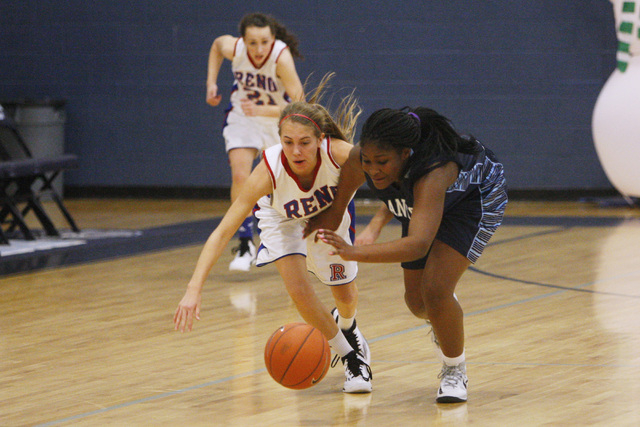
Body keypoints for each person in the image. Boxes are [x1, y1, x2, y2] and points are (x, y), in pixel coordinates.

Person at [174, 77, 372, 393]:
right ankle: (351, 360)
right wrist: (193, 288)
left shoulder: (340, 153)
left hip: (327, 219)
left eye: (304, 142)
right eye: (288, 141)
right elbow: (224, 230)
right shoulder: (268, 171)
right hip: (283, 219)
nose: (295, 150)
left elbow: (386, 175)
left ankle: (348, 327)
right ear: (278, 139)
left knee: (345, 294)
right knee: (298, 288)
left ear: (319, 139)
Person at [305, 107, 507, 403]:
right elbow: (337, 208)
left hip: (475, 200)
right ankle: (444, 318)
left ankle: (454, 369)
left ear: (406, 154)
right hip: (427, 202)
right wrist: (300, 237)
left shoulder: (435, 172)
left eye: (382, 162)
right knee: (416, 302)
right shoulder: (362, 159)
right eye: (368, 161)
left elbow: (418, 244)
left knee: (436, 291)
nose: (373, 170)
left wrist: (354, 251)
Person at [206, 12, 305, 271]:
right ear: (243, 41)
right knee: (241, 176)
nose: (259, 48)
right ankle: (246, 241)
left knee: (283, 184)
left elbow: (300, 103)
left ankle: (297, 239)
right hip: (242, 116)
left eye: (264, 42)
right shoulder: (234, 48)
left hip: (275, 117)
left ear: (273, 40)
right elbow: (217, 45)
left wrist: (265, 109)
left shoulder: (280, 58)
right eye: (253, 42)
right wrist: (211, 83)